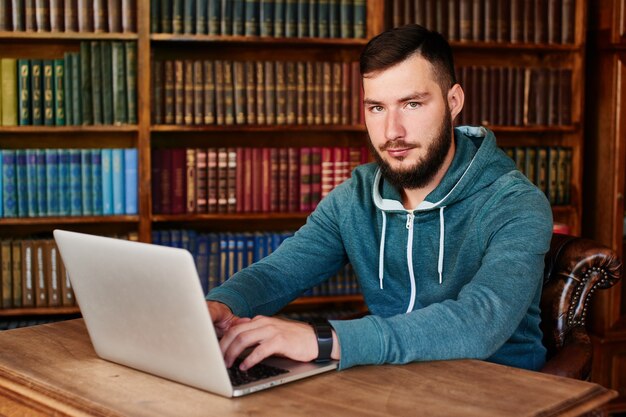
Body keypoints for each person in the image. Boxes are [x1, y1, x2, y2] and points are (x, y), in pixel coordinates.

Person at [206, 24, 553, 373]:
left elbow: (481, 321)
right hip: (393, 386)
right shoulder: (354, 199)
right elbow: (279, 273)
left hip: (499, 391)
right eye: (376, 108)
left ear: (453, 102)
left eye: (412, 104)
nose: (392, 132)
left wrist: (325, 340)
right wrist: (222, 305)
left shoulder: (515, 203)